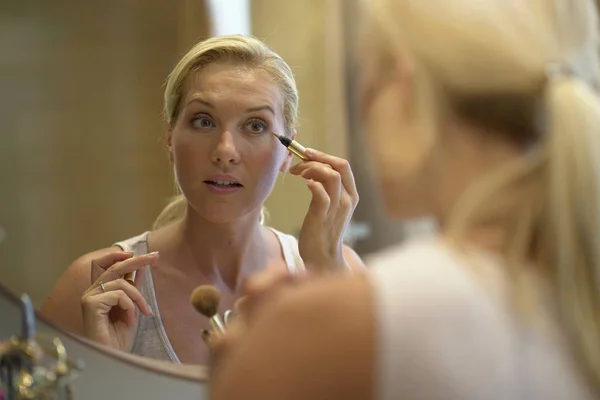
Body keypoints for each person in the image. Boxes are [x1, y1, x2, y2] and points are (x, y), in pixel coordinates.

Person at [208, 0, 600, 399]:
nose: (226, 151)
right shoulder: (578, 293)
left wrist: (259, 360)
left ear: (403, 86)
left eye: (364, 76)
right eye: (203, 120)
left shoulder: (321, 331)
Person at [40, 35, 364, 366]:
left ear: (287, 153)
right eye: (204, 121)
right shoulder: (97, 287)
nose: (225, 151)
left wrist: (327, 280)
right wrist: (108, 370)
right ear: (170, 137)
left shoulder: (341, 273)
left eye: (255, 125)